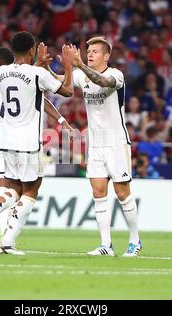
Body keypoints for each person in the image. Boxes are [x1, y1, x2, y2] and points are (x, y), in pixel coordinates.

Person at [0, 32, 74, 255]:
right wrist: (67, 66)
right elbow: (68, 91)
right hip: (28, 142)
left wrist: (37, 65)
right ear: (31, 51)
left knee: (13, 189)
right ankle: (7, 242)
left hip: (6, 141)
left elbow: (22, 79)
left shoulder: (1, 72)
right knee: (31, 190)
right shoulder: (37, 73)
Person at [43, 36, 142, 257]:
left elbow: (102, 82)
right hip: (95, 144)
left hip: (116, 143)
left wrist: (80, 66)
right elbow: (59, 82)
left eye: (95, 51)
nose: (90, 53)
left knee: (122, 192)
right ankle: (106, 244)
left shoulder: (115, 75)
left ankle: (135, 240)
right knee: (98, 192)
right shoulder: (81, 75)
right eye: (88, 50)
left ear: (106, 56)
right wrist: (45, 67)